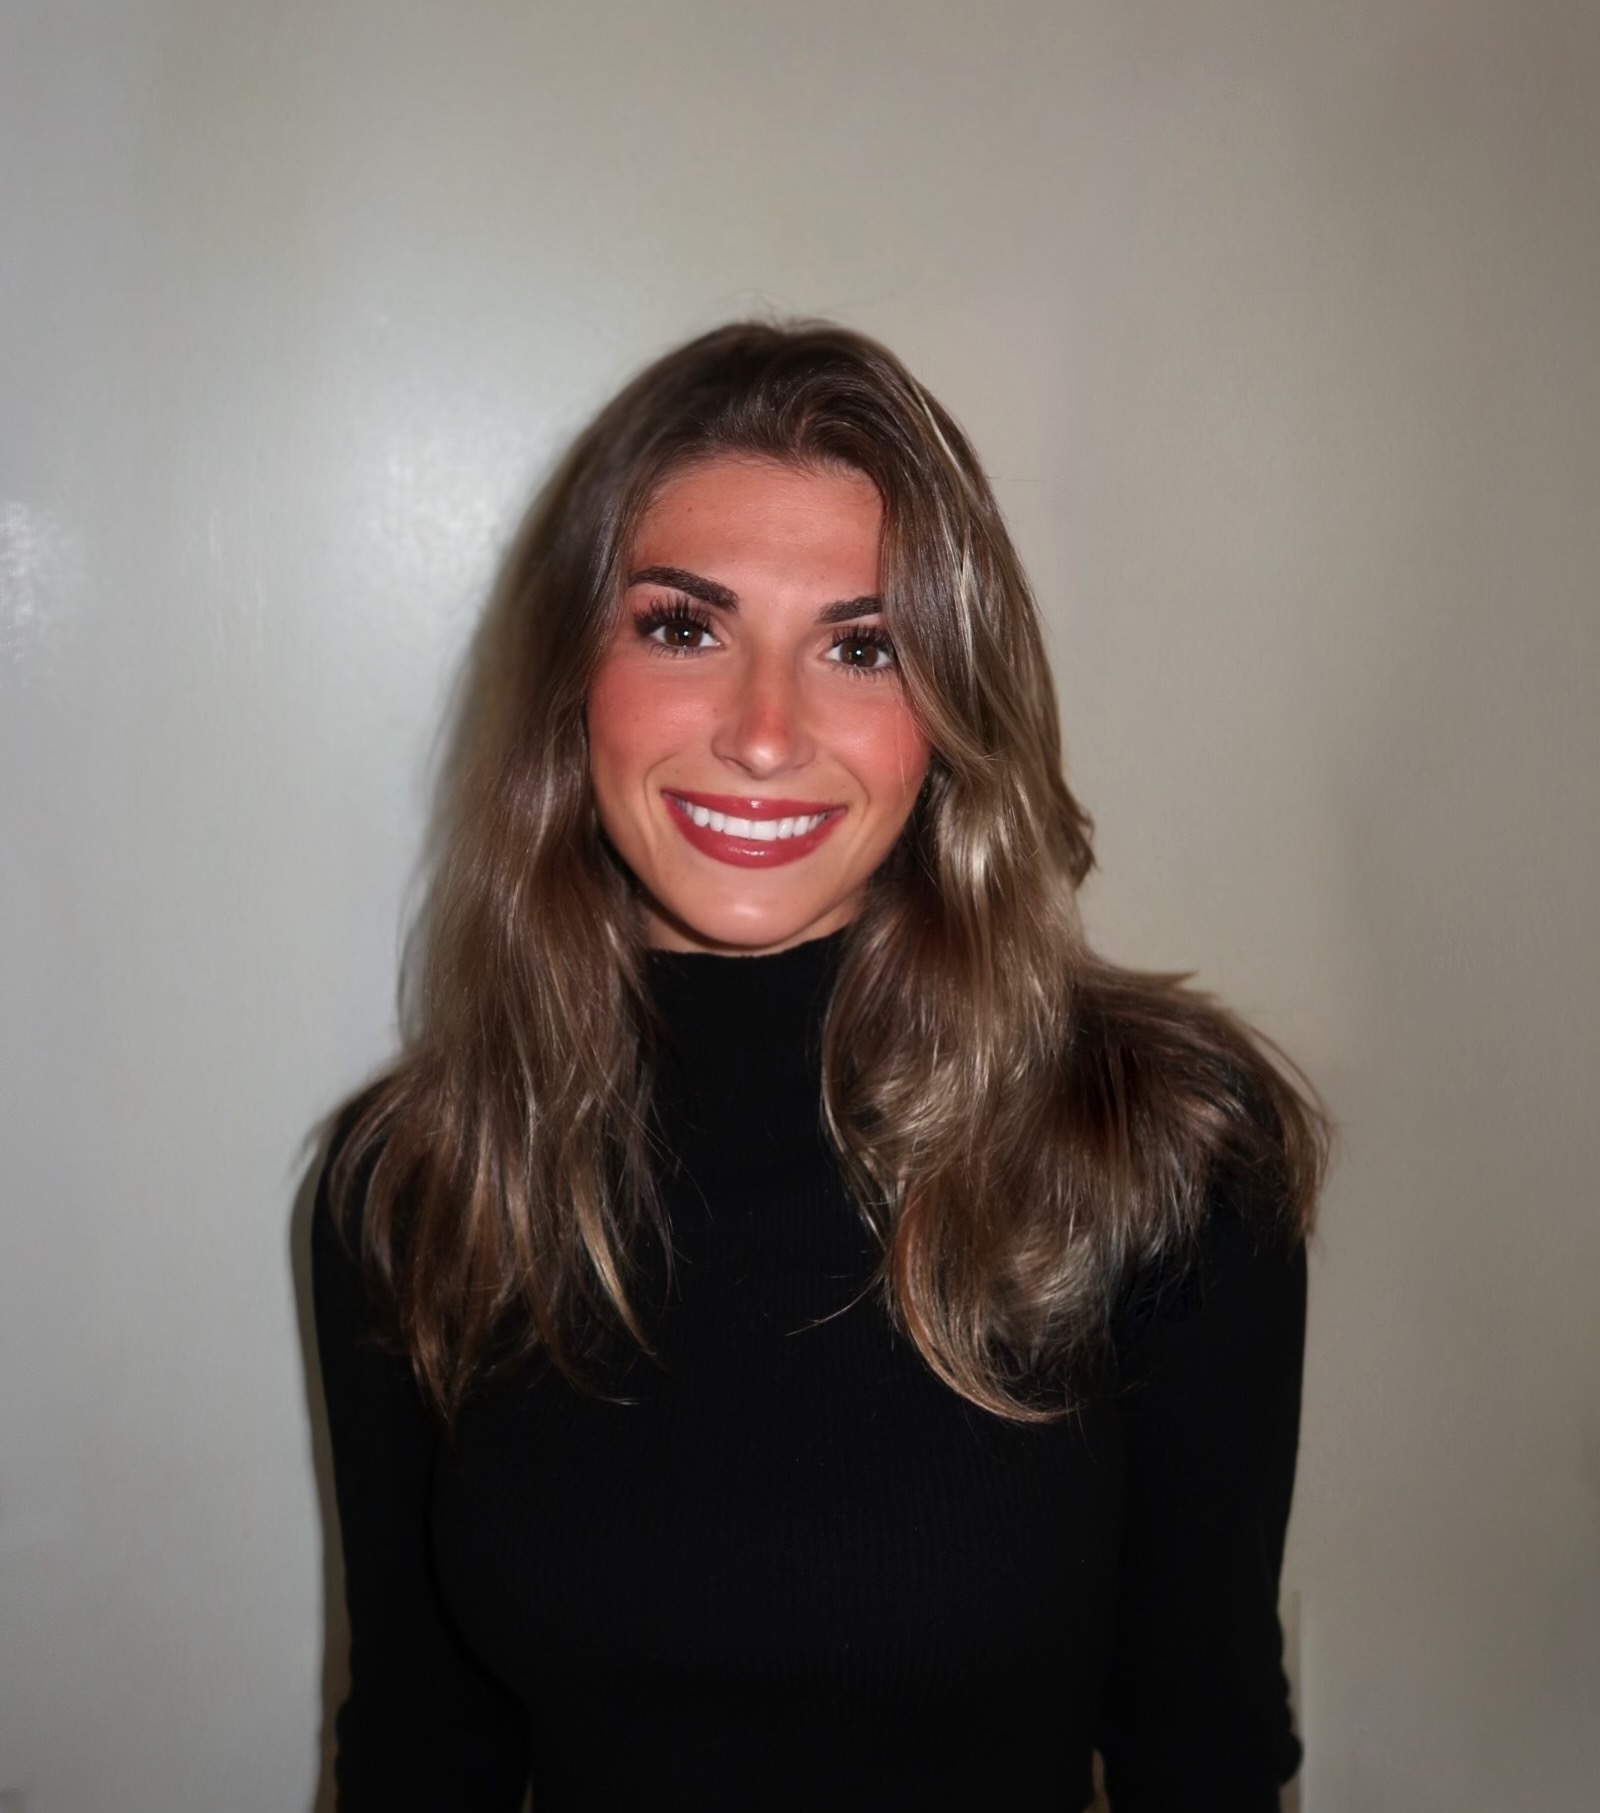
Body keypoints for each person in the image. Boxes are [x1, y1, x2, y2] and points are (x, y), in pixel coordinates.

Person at [311, 318, 1330, 1812]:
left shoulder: (1157, 1146)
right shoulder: (413, 1182)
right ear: (569, 681)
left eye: (863, 647)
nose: (765, 733)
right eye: (683, 626)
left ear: (950, 720)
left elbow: (1208, 1748)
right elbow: (418, 1750)